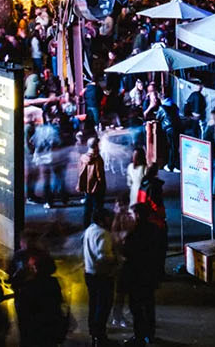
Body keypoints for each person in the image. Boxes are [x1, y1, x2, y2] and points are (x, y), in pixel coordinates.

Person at [122, 201, 164, 347]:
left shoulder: (134, 233)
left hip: (136, 275)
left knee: (136, 307)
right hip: (150, 274)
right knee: (149, 305)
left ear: (138, 215)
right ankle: (150, 335)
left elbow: (127, 253)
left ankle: (139, 336)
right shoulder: (155, 229)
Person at [12, 251, 68, 347]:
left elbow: (22, 310)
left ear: (36, 268)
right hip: (50, 332)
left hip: (33, 334)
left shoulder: (30, 286)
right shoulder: (54, 283)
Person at [82, 208, 117, 347]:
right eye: (109, 218)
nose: (112, 220)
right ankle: (100, 337)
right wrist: (116, 259)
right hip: (102, 275)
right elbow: (104, 256)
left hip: (89, 273)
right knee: (103, 306)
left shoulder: (90, 229)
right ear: (102, 219)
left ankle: (93, 333)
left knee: (93, 304)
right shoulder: (103, 234)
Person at [77, 136, 107, 228]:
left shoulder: (83, 158)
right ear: (96, 146)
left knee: (87, 207)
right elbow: (100, 176)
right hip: (97, 187)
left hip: (87, 187)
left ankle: (86, 226)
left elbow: (80, 171)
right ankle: (97, 225)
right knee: (98, 207)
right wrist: (103, 186)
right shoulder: (98, 159)